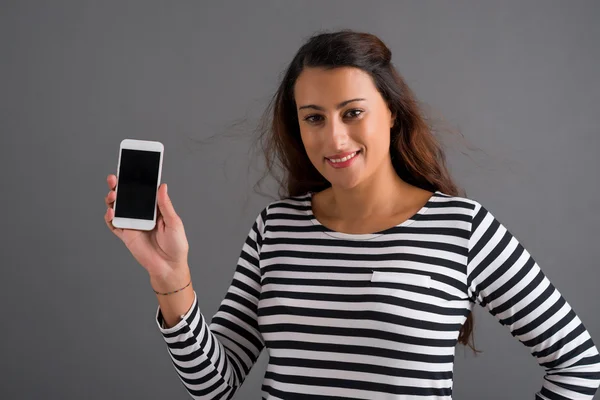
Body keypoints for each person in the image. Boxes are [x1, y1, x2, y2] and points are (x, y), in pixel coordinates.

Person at [103, 30, 600, 399]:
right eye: (314, 118)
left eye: (353, 112)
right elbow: (216, 385)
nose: (334, 138)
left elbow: (578, 366)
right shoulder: (275, 229)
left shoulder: (462, 228)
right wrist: (171, 276)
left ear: (392, 111)